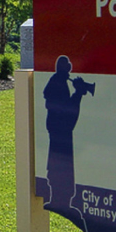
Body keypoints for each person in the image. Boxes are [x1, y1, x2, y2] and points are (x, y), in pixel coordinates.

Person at [42, 55, 95, 215]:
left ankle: (63, 198)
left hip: (59, 129)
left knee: (59, 162)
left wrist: (77, 93)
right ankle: (60, 198)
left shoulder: (59, 82)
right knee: (60, 163)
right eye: (67, 66)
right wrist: (78, 94)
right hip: (60, 130)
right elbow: (64, 109)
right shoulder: (58, 83)